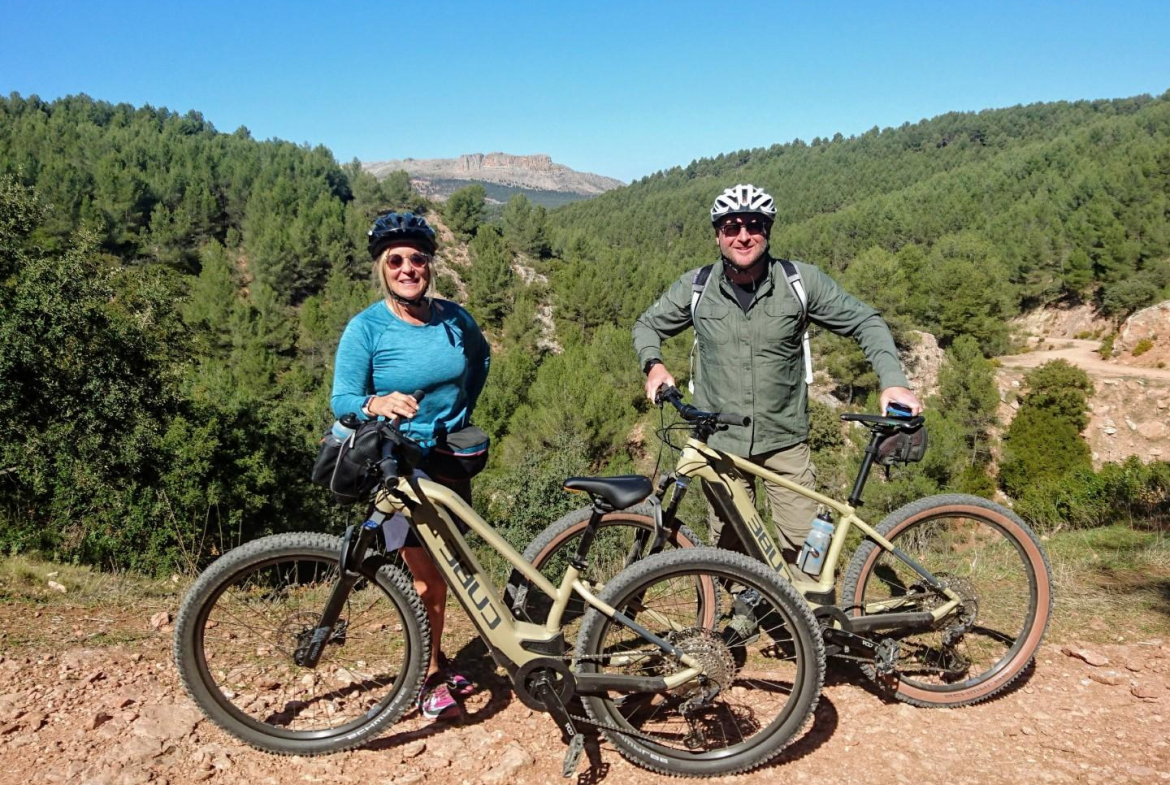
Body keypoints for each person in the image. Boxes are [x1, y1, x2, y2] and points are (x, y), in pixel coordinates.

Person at [633, 184, 922, 567]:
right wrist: (654, 365)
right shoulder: (696, 287)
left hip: (785, 441)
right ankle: (744, 605)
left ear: (767, 231)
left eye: (753, 225)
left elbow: (865, 321)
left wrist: (893, 381)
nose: (743, 236)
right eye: (732, 227)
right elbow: (647, 325)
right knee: (730, 553)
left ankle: (809, 605)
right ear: (718, 235)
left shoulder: (800, 282)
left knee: (807, 554)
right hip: (720, 444)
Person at [331, 211, 490, 720]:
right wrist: (375, 404)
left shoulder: (455, 319)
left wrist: (460, 413)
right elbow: (342, 399)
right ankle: (429, 676)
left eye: (416, 259)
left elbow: (480, 361)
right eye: (395, 260)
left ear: (430, 265)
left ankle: (435, 656)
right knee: (428, 577)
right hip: (399, 464)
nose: (407, 268)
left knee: (449, 568)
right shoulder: (367, 328)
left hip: (449, 459)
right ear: (382, 268)